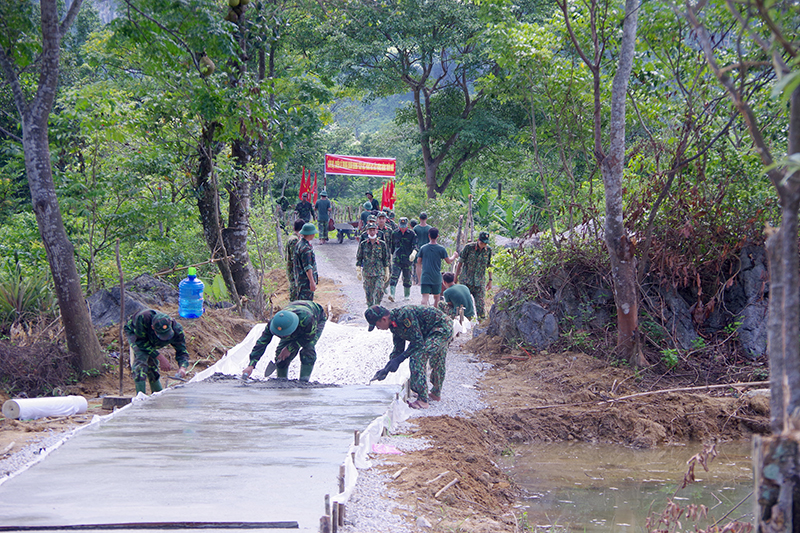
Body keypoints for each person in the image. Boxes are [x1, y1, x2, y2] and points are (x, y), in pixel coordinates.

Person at [365, 304, 453, 409]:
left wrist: (400, 359)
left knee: (418, 356)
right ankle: (435, 394)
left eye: (377, 325)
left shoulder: (404, 315)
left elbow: (417, 342)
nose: (378, 329)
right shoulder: (393, 324)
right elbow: (398, 349)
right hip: (428, 332)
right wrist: (387, 368)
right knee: (436, 358)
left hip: (442, 328)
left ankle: (423, 400)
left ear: (383, 319)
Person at [242, 301, 327, 381]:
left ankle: (304, 382)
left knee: (308, 349)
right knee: (281, 354)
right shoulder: (274, 323)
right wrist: (251, 365)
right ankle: (281, 380)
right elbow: (262, 343)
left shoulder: (307, 319)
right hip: (293, 315)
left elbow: (308, 337)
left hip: (316, 316)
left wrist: (290, 348)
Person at [124, 309, 189, 395]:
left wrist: (182, 368)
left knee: (152, 364)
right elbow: (141, 343)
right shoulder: (143, 318)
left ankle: (158, 394)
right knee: (141, 359)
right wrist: (160, 357)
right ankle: (140, 397)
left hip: (150, 337)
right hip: (136, 333)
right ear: (152, 328)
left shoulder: (177, 330)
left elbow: (182, 352)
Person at [416, 227, 458, 307]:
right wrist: (454, 256)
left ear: (429, 236)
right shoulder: (441, 249)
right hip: (436, 277)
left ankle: (423, 314)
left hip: (425, 276)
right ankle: (435, 315)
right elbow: (449, 261)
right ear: (437, 236)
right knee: (437, 297)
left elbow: (418, 261)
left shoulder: (423, 248)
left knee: (425, 298)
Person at [455, 231, 493, 319]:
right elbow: (460, 263)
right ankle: (462, 324)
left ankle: (481, 325)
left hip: (479, 282)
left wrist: (490, 280)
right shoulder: (469, 247)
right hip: (466, 280)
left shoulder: (488, 250)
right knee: (463, 304)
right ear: (478, 240)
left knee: (480, 305)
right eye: (481, 242)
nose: (483, 245)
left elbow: (489, 265)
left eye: (485, 243)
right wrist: (455, 277)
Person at [356, 223, 391, 306]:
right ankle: (370, 309)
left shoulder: (382, 244)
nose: (372, 232)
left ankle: (377, 306)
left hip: (379, 272)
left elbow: (386, 258)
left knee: (379, 290)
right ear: (367, 231)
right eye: (370, 230)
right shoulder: (363, 244)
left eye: (374, 230)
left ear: (376, 231)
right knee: (369, 294)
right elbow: (359, 258)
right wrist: (358, 270)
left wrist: (387, 271)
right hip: (367, 273)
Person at [387, 217, 416, 302]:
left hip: (408, 259)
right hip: (397, 259)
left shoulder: (411, 234)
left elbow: (415, 245)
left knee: (407, 277)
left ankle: (407, 295)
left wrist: (414, 253)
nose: (403, 227)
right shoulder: (395, 233)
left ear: (407, 225)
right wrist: (393, 255)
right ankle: (392, 294)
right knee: (394, 276)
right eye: (401, 225)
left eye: (404, 225)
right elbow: (391, 246)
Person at [294, 223, 318, 301]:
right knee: (306, 304)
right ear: (310, 234)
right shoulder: (306, 249)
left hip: (300, 280)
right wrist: (312, 281)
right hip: (305, 282)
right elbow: (308, 267)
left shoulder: (299, 244)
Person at [286, 219, 305, 301]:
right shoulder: (295, 240)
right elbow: (295, 257)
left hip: (293, 268)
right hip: (294, 269)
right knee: (295, 289)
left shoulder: (293, 238)